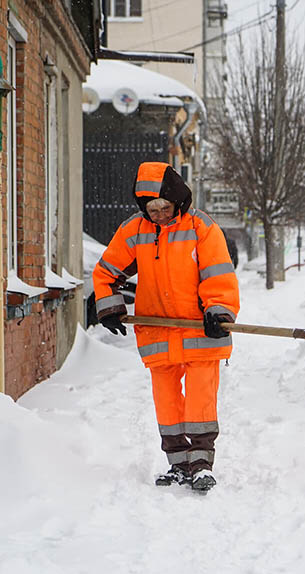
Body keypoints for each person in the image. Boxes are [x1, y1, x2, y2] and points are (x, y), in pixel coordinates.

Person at [92, 161, 240, 493]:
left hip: (199, 329)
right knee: (167, 401)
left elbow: (218, 275)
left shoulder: (201, 227)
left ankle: (201, 464)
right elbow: (106, 273)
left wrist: (219, 312)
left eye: (164, 207)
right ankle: (178, 464)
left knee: (200, 400)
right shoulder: (135, 230)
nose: (158, 214)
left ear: (177, 200)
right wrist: (109, 306)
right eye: (151, 208)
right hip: (157, 331)